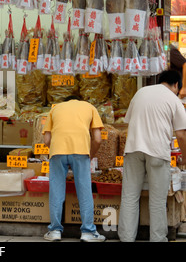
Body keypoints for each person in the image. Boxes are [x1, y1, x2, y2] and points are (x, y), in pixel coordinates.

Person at [118, 70, 186, 242]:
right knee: (157, 200)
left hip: (133, 149)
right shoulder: (174, 99)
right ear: (176, 85)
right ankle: (157, 238)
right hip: (157, 152)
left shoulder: (140, 92)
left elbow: (128, 121)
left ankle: (126, 238)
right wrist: (185, 157)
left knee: (129, 196)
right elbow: (181, 134)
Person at [42, 95, 105, 242]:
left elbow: (46, 140)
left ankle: (55, 231)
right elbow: (97, 138)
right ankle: (88, 232)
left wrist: (58, 150)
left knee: (56, 191)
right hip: (81, 151)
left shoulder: (55, 108)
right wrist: (90, 154)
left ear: (66, 102)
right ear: (80, 100)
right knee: (84, 191)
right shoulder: (89, 107)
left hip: (57, 151)